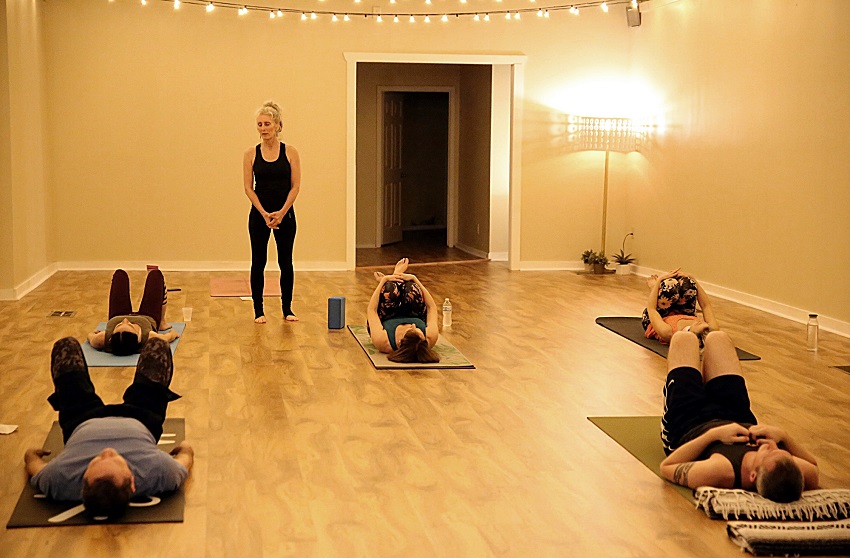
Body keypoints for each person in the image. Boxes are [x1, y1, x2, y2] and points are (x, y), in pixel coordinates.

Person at [25, 337, 194, 519]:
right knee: (158, 346)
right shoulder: (160, 473)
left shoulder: (60, 480)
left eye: (96, 461)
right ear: (132, 484)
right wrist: (185, 449)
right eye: (117, 458)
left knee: (65, 345)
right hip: (140, 417)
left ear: (82, 484)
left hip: (81, 418)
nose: (106, 450)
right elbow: (186, 457)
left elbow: (32, 462)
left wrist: (32, 454)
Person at [659, 330, 818, 503]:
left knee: (684, 339)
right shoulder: (787, 469)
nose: (772, 446)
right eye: (780, 450)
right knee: (718, 338)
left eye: (768, 453)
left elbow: (667, 467)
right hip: (737, 414)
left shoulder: (721, 471)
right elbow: (813, 468)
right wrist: (783, 436)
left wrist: (713, 436)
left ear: (752, 475)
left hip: (689, 424)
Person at [243, 100, 302, 324]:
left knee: (285, 262)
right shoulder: (250, 153)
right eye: (259, 124)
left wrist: (280, 212)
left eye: (267, 123)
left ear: (277, 125)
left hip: (285, 214)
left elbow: (295, 186)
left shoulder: (290, 152)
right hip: (259, 215)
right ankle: (259, 311)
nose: (263, 128)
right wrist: (264, 213)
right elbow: (248, 187)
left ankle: (287, 309)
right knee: (258, 261)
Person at [87, 268, 179, 355]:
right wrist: (173, 334)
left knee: (119, 274)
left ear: (110, 338)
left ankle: (125, 325)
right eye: (131, 326)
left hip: (118, 314)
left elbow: (90, 337)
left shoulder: (102, 339)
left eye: (119, 325)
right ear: (139, 338)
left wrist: (93, 333)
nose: (126, 320)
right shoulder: (149, 337)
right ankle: (162, 323)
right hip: (147, 317)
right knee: (155, 275)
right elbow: (167, 338)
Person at [366, 258, 440, 364]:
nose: (414, 325)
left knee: (389, 289)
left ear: (400, 340)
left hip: (387, 315)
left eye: (410, 329)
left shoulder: (383, 341)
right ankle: (398, 276)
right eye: (418, 329)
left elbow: (371, 310)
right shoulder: (429, 337)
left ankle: (394, 280)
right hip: (412, 311)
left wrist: (383, 281)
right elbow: (431, 307)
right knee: (411, 288)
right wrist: (415, 279)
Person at [642, 269, 718, 344]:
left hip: (660, 316)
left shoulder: (668, 332)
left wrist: (656, 284)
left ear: (692, 335)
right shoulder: (710, 330)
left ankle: (658, 291)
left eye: (699, 324)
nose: (700, 320)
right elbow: (706, 306)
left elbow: (652, 309)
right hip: (683, 312)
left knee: (670, 287)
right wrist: (693, 280)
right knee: (689, 284)